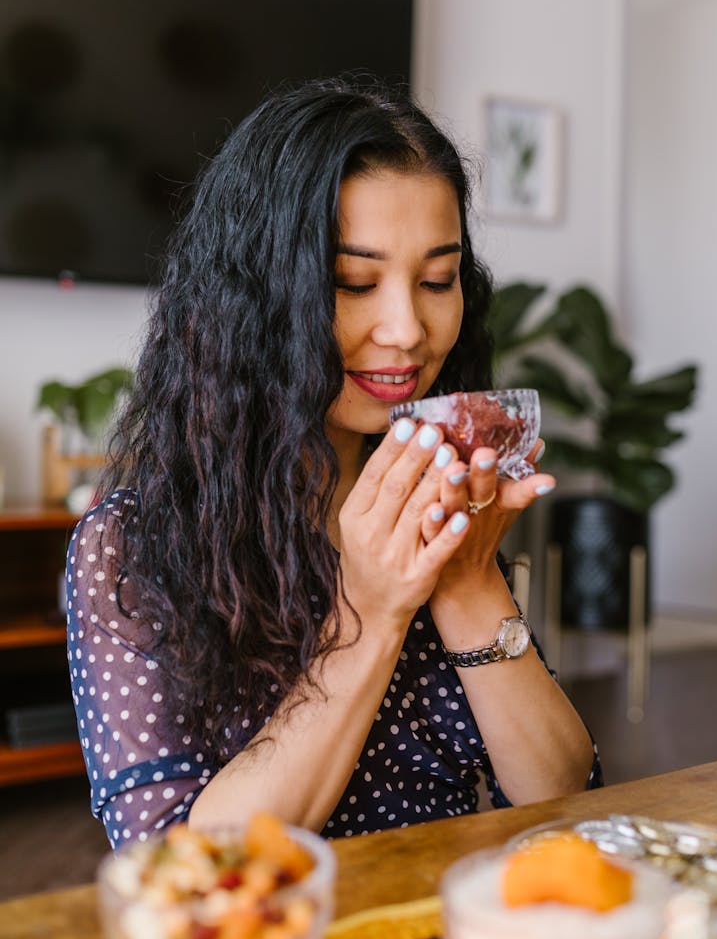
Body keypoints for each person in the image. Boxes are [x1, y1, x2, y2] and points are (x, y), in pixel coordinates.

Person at [66, 76, 601, 849]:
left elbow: (564, 793)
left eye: (436, 280)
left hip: (440, 938)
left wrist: (469, 581)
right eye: (353, 282)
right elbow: (179, 868)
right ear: (251, 297)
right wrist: (371, 609)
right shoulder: (130, 548)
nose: (406, 329)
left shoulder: (431, 490)